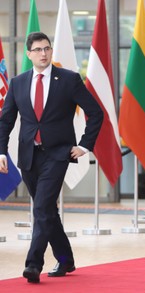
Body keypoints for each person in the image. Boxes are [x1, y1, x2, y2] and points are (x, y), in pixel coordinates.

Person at [0, 32, 103, 283]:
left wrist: (85, 146)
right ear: (29, 54)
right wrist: (1, 150)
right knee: (47, 211)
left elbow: (95, 112)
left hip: (58, 154)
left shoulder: (68, 80)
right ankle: (66, 259)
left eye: (47, 48)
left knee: (43, 207)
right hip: (28, 156)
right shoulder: (18, 83)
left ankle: (33, 264)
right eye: (37, 50)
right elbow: (6, 121)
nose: (43, 53)